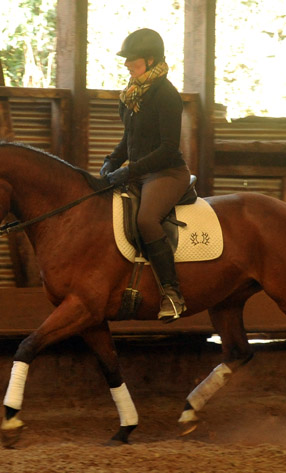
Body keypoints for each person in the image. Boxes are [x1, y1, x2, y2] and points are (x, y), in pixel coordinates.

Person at [101, 28, 191, 322]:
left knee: (146, 219)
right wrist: (110, 163)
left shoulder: (166, 95)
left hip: (166, 172)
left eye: (132, 60)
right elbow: (129, 139)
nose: (127, 64)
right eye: (126, 60)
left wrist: (129, 170)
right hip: (139, 172)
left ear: (150, 60)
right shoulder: (131, 95)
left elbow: (167, 149)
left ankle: (171, 293)